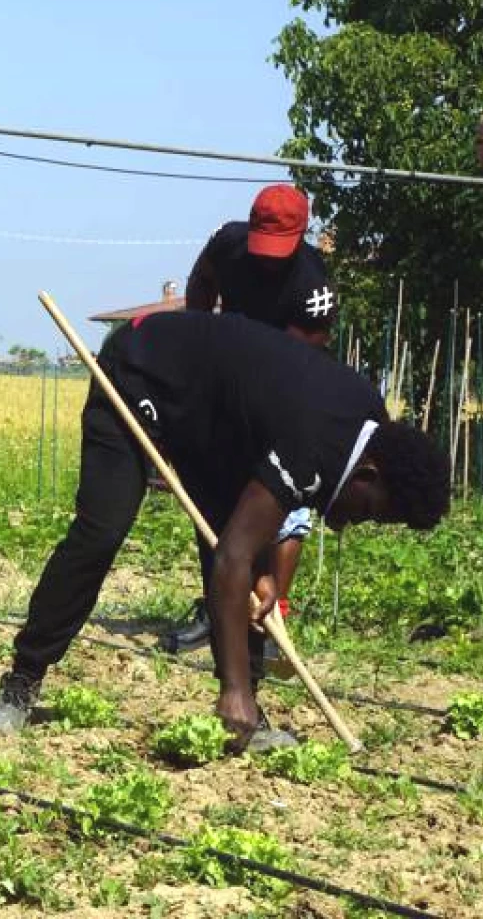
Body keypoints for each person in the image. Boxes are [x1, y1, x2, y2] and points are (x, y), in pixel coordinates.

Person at [0, 311, 449, 751]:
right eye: (369, 512)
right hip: (139, 375)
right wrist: (233, 687)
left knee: (244, 574)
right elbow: (232, 557)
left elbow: (248, 509)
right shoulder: (316, 442)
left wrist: (261, 567)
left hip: (211, 423)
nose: (352, 523)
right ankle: (23, 679)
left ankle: (249, 715)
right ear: (366, 474)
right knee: (105, 528)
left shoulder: (365, 425)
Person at [161, 183, 339, 654]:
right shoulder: (229, 243)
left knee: (286, 502)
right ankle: (222, 603)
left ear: (301, 235)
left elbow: (303, 361)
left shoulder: (313, 286)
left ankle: (272, 618)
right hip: (229, 380)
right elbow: (200, 282)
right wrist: (203, 332)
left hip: (288, 391)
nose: (267, 259)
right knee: (225, 498)